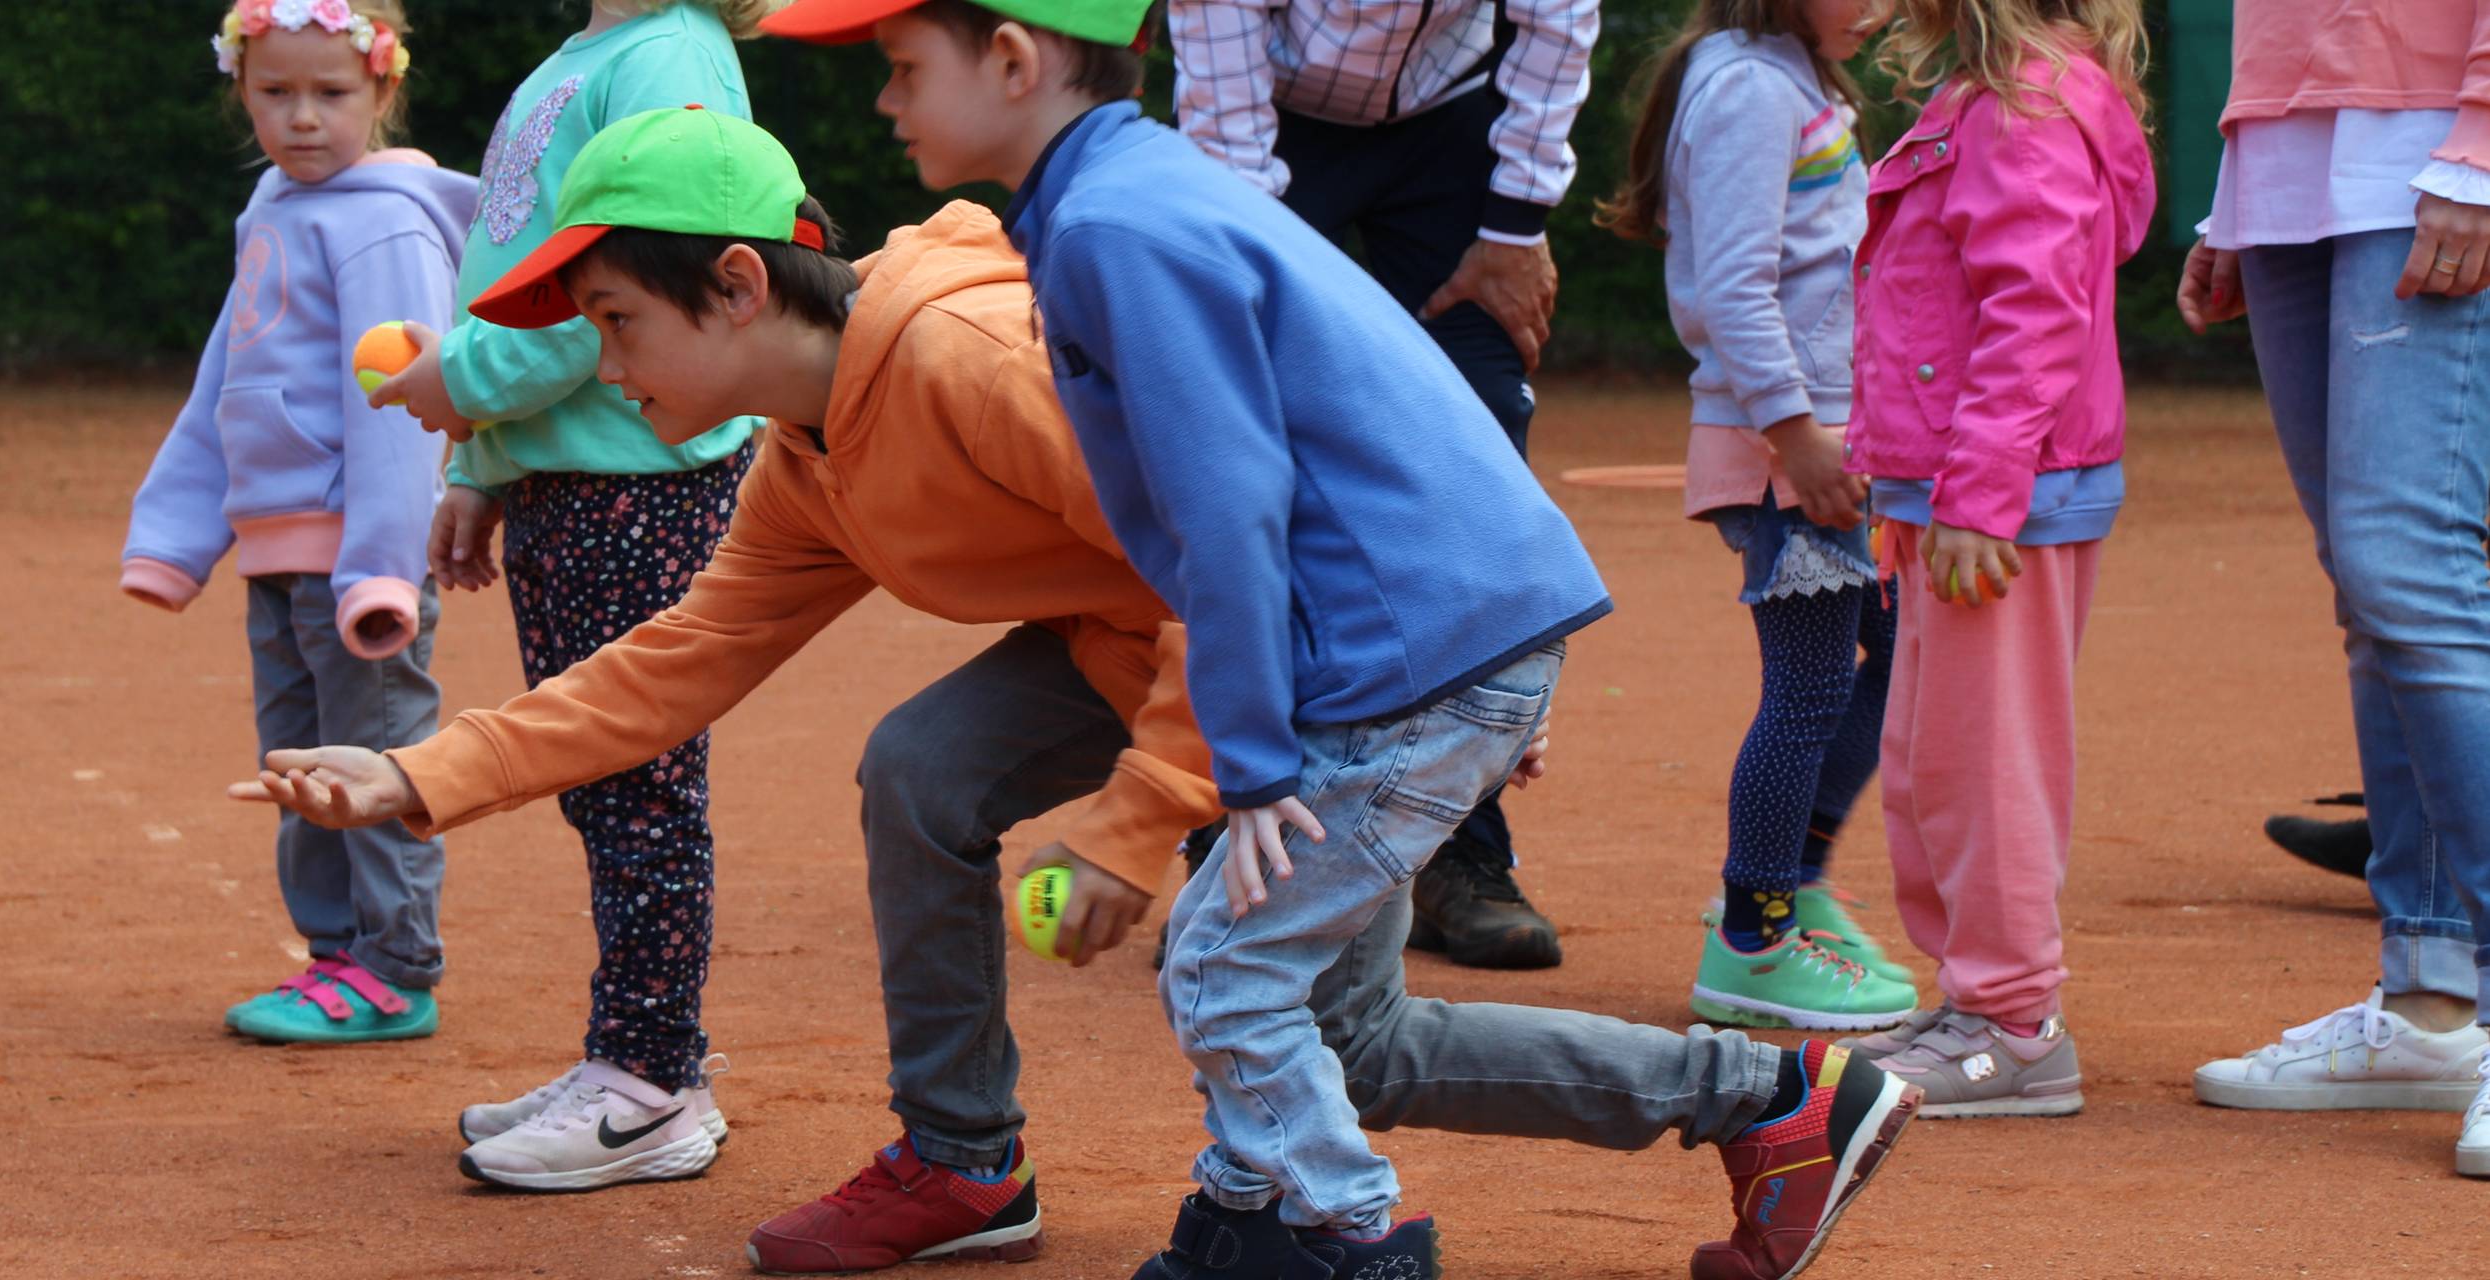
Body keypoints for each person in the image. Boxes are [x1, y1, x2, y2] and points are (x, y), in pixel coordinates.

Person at [755, 0, 1927, 1274]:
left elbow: (1231, 507)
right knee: (1341, 1029)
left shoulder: (1114, 225)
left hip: (1407, 650)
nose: (885, 102)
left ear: (1015, 60)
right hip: (1426, 635)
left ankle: (1342, 1231)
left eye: (902, 68)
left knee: (1220, 966)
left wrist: (1251, 767)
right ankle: (1764, 1104)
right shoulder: (1124, 196)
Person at [232, 106, 1222, 1270]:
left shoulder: (979, 359)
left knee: (1357, 1045)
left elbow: (1237, 564)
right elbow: (677, 660)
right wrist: (413, 769)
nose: (604, 366)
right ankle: (965, 1163)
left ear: (740, 283)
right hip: (1139, 642)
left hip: (1325, 649)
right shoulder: (807, 457)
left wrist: (1146, 812)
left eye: (618, 322)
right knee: (924, 763)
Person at [355, 0, 771, 1191]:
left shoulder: (672, 53)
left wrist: (463, 381)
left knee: (636, 780)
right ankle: (630, 1055)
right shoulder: (577, 60)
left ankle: (651, 1082)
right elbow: (525, 279)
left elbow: (633, 293)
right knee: (603, 783)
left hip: (642, 473)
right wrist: (485, 463)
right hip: (571, 477)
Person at [1160, 0, 1605, 970]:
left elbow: (1558, 19)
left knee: (1484, 439)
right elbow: (1228, 128)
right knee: (1247, 456)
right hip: (1271, 122)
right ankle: (1228, 833)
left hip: (1452, 120)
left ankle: (1460, 855)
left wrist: (1517, 222)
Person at [2172, 0, 2490, 1177]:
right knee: (2377, 596)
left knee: (2410, 574)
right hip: (2295, 156)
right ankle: (2430, 996)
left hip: (2436, 147)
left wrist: (2481, 145)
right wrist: (2246, 183)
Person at [121, 0, 469, 1045]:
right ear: (242, 92)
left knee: (374, 759)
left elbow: (407, 408)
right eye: (277, 94)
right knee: (299, 768)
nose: (303, 118)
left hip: (358, 566)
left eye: (332, 94)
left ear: (382, 92)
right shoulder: (273, 208)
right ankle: (334, 958)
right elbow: (222, 381)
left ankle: (395, 967)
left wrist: (380, 571)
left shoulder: (387, 222)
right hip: (280, 559)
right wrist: (175, 537)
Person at [1830, 0, 2152, 1121]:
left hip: (1998, 502)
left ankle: (2014, 1023)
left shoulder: (2025, 101)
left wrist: (1979, 491)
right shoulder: (1990, 93)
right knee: (1930, 760)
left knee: (1984, 765)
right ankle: (1979, 1002)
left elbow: (2038, 309)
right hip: (1959, 493)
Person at [1596, 0, 1916, 1032]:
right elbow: (1730, 289)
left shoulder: (1788, 72)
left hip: (1826, 431)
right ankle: (1753, 936)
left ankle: (1794, 877)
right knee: (1812, 683)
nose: (1886, 7)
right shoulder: (1747, 88)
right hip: (1788, 442)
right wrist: (1795, 434)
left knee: (1901, 650)